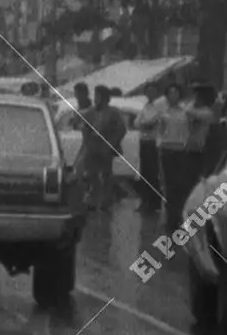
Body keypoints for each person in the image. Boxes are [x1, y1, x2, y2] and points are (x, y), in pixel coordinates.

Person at [136, 82, 194, 232]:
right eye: (170, 93)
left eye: (176, 92)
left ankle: (181, 217)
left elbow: (190, 129)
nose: (173, 95)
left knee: (181, 185)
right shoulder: (161, 113)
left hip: (182, 150)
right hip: (166, 150)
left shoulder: (186, 111)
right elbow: (146, 124)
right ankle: (170, 219)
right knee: (168, 185)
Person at [77, 84, 127, 211]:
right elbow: (85, 130)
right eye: (95, 96)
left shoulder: (113, 113)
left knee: (106, 175)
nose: (96, 99)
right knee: (91, 175)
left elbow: (121, 129)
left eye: (98, 96)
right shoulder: (89, 113)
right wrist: (88, 143)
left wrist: (112, 142)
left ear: (105, 98)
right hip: (92, 147)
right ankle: (93, 200)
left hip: (106, 148)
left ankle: (106, 201)